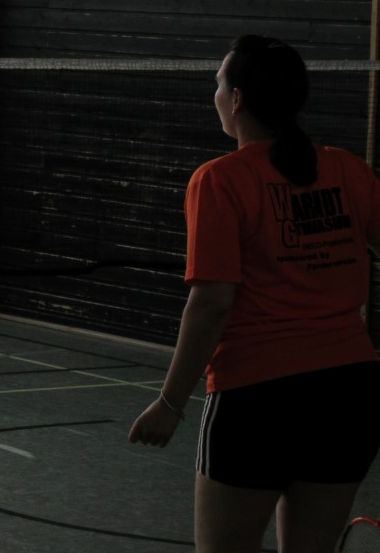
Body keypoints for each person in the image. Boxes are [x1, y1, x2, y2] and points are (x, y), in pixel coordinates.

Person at [128, 35, 380, 553]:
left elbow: (212, 304)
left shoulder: (219, 181)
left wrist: (170, 403)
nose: (215, 94)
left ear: (237, 99)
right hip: (349, 395)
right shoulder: (347, 169)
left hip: (258, 400)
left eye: (218, 84)